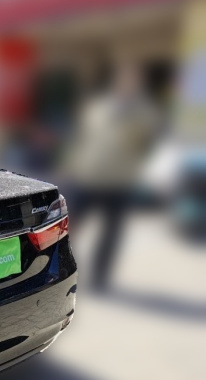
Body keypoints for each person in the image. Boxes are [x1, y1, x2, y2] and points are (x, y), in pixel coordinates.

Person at [61, 63, 159, 291]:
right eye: (124, 80)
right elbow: (81, 139)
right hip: (87, 176)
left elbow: (143, 145)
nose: (128, 85)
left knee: (111, 234)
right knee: (70, 226)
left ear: (140, 85)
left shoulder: (147, 114)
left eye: (134, 81)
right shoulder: (97, 108)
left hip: (119, 181)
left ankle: (100, 277)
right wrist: (69, 165)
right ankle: (62, 268)